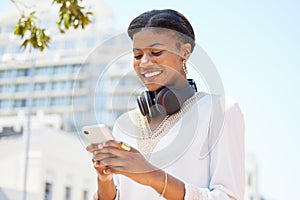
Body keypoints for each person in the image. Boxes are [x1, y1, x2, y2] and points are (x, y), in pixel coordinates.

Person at [87, 9, 245, 200]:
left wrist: (152, 176)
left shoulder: (220, 110)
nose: (144, 63)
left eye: (156, 52)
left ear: (184, 52)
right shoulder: (123, 124)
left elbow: (228, 197)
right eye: (137, 55)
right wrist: (105, 179)